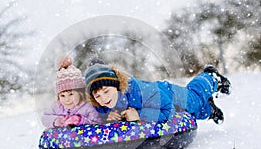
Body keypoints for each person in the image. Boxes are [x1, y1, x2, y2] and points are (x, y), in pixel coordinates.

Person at [84, 58, 231, 124]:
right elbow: (98, 113)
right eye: (97, 95)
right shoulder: (103, 105)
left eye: (106, 91)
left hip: (168, 94)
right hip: (159, 102)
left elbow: (168, 110)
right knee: (191, 113)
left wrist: (139, 114)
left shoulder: (140, 91)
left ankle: (210, 76)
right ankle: (209, 110)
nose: (103, 98)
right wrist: (109, 116)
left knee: (193, 100)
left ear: (116, 85)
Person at [41, 57, 102, 128]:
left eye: (71, 94)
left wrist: (80, 120)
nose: (67, 99)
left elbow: (97, 122)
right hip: (65, 137)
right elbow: (45, 117)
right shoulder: (57, 106)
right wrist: (56, 120)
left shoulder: (88, 107)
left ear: (80, 93)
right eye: (62, 96)